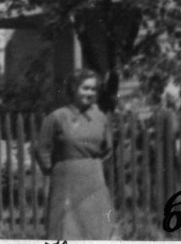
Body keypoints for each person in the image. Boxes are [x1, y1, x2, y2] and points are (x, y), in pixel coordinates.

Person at [35, 69, 115, 239]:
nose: (90, 93)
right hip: (65, 178)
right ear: (73, 88)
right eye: (85, 88)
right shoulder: (57, 117)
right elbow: (42, 148)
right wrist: (54, 169)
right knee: (66, 228)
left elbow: (107, 148)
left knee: (96, 226)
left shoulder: (100, 117)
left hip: (94, 176)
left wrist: (92, 164)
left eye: (93, 89)